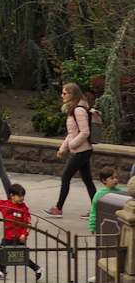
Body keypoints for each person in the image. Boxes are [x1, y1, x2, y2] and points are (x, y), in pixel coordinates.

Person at [47, 82, 96, 215]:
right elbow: (72, 133)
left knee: (65, 177)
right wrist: (63, 148)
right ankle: (97, 210)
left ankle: (58, 208)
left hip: (82, 150)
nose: (62, 95)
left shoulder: (78, 110)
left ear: (72, 94)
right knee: (87, 180)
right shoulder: (72, 109)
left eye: (64, 93)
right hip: (81, 149)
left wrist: (72, 145)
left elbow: (85, 132)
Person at [0, 183, 42, 282]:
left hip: (19, 238)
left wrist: (25, 234)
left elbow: (28, 223)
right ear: (12, 196)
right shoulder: (5, 205)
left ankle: (38, 269)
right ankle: (2, 271)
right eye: (19, 196)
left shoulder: (24, 209)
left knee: (21, 257)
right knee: (1, 252)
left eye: (23, 196)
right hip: (8, 237)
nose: (22, 198)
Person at [89, 166, 125, 234]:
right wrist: (92, 227)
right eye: (111, 178)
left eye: (116, 177)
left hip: (118, 224)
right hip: (105, 224)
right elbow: (94, 211)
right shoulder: (99, 194)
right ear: (104, 180)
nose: (115, 180)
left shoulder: (122, 192)